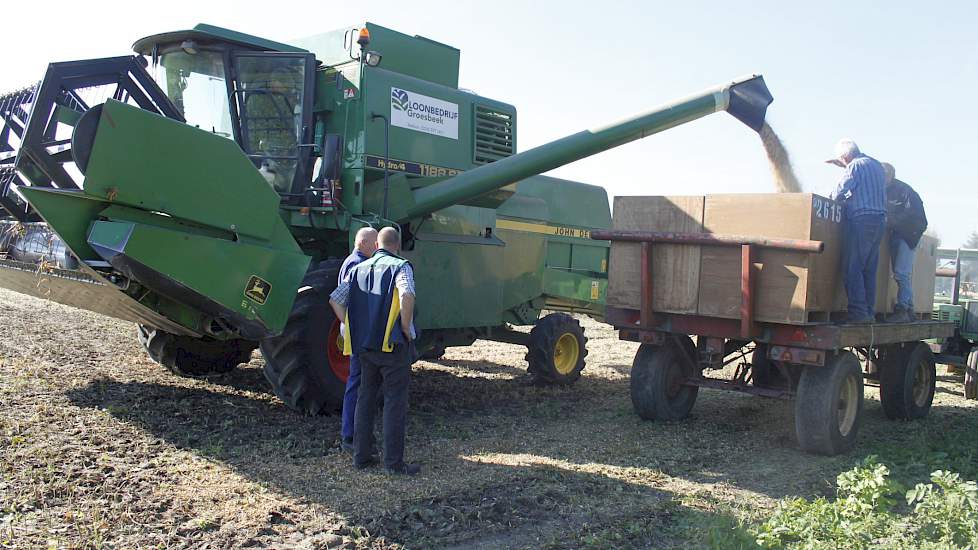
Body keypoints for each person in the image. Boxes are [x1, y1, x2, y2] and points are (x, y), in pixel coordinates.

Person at [329, 227, 420, 476]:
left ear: (377, 244)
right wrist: (404, 327)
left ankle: (362, 456)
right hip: (392, 346)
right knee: (394, 401)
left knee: (365, 398)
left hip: (364, 346)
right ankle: (393, 463)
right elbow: (408, 293)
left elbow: (335, 299)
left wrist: (348, 323)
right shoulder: (401, 266)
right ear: (397, 245)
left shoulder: (358, 268)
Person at [827, 139, 887, 324]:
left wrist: (828, 200)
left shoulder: (854, 166)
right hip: (879, 221)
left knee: (852, 268)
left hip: (862, 220)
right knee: (868, 269)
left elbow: (841, 190)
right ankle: (868, 312)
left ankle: (858, 314)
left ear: (845, 156)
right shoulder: (876, 165)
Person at [338, 227, 378, 454]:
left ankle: (354, 433)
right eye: (374, 245)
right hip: (359, 332)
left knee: (358, 380)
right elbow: (340, 299)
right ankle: (351, 434)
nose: (376, 249)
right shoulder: (357, 266)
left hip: (353, 329)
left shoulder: (349, 261)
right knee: (359, 382)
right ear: (363, 243)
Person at [880, 163, 928, 323]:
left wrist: (890, 222)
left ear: (890, 175)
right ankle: (909, 307)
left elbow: (914, 216)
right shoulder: (883, 190)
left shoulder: (904, 191)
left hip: (907, 235)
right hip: (896, 234)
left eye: (884, 175)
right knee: (900, 273)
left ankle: (904, 309)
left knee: (901, 272)